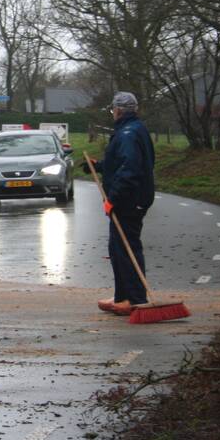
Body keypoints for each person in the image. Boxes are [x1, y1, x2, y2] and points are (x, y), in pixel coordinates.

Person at [88, 91, 156, 315]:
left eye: (112, 110)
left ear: (118, 110)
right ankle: (122, 295)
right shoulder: (135, 129)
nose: (112, 113)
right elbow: (122, 162)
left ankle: (134, 298)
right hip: (131, 199)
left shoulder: (127, 133)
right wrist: (101, 166)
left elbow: (130, 170)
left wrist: (113, 199)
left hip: (129, 200)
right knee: (117, 248)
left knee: (127, 249)